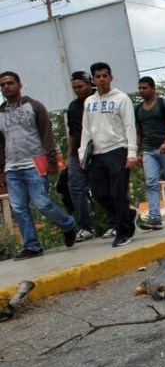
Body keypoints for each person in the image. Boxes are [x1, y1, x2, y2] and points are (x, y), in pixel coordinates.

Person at [0, 71, 77, 260]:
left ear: (19, 85)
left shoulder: (34, 106)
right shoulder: (0, 113)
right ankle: (32, 246)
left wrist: (51, 160)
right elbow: (0, 144)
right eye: (2, 85)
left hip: (34, 163)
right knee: (18, 208)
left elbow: (46, 134)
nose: (6, 87)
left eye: (10, 83)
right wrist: (1, 169)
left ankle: (67, 224)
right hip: (12, 167)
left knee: (41, 203)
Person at [80, 62, 139, 247]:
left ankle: (123, 232)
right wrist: (83, 152)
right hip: (96, 153)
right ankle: (127, 215)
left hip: (117, 150)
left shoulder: (121, 99)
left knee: (117, 193)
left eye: (105, 76)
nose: (102, 79)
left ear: (111, 77)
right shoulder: (89, 102)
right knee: (99, 193)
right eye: (98, 76)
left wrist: (132, 153)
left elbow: (130, 126)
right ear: (93, 80)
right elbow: (86, 129)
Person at [135, 76, 165, 231]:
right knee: (151, 183)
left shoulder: (163, 104)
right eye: (140, 88)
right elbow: (139, 132)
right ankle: (155, 217)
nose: (142, 91)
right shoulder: (138, 109)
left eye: (145, 88)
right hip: (149, 150)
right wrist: (136, 151)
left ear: (153, 88)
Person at [66, 71, 99, 242]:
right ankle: (86, 227)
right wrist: (69, 155)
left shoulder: (98, 102)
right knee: (76, 188)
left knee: (102, 189)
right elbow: (72, 133)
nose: (77, 90)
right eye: (74, 88)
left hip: (99, 151)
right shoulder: (72, 107)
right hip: (77, 154)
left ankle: (115, 223)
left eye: (80, 86)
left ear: (89, 84)